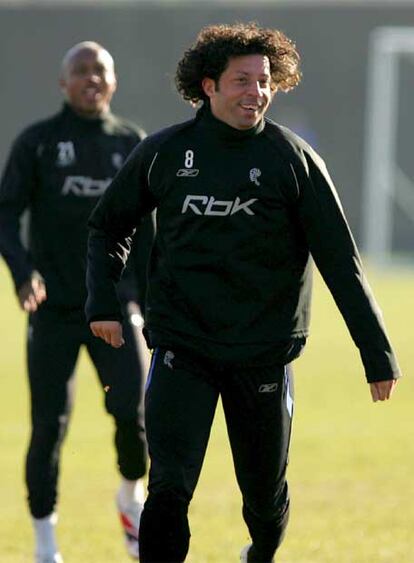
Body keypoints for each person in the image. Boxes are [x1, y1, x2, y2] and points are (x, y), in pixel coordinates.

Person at [85, 23, 401, 563]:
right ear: (208, 86)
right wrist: (103, 302)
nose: (256, 92)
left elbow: (341, 263)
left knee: (263, 500)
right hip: (183, 347)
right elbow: (108, 225)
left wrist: (376, 352)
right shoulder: (166, 153)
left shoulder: (294, 161)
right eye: (242, 80)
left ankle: (260, 550)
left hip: (263, 353)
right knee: (168, 490)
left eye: (265, 80)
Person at [0, 41, 154, 563]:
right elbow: (5, 216)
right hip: (55, 312)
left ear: (114, 82)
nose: (92, 78)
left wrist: (149, 305)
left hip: (115, 310)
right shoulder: (39, 143)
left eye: (101, 71)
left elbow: (151, 232)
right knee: (49, 425)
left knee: (133, 414)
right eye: (80, 71)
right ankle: (46, 543)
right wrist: (24, 275)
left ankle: (131, 495)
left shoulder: (132, 143)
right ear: (62, 83)